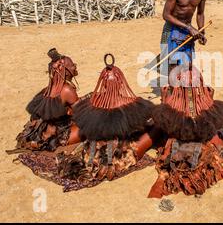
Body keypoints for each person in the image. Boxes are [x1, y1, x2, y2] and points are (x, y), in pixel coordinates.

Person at [57, 54, 156, 183]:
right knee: (154, 127)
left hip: (94, 154)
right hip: (120, 155)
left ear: (102, 84)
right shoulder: (133, 103)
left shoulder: (89, 105)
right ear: (121, 83)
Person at [148, 65, 223, 198]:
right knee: (218, 134)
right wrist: (210, 97)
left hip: (177, 139)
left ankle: (167, 172)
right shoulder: (204, 108)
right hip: (200, 137)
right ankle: (218, 160)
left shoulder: (173, 107)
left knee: (160, 132)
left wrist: (164, 98)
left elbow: (164, 119)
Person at [14, 48, 79, 151]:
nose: (75, 66)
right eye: (72, 65)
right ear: (65, 70)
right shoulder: (67, 90)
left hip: (45, 132)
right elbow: (81, 114)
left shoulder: (47, 89)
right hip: (59, 134)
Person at [160, 0, 208, 77]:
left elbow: (200, 14)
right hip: (171, 30)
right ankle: (173, 93)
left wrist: (201, 32)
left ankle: (184, 93)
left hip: (188, 30)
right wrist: (189, 28)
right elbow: (166, 15)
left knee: (187, 64)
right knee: (173, 65)